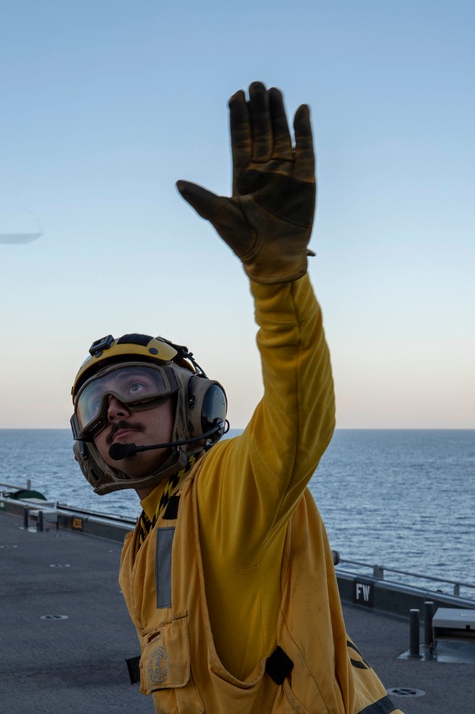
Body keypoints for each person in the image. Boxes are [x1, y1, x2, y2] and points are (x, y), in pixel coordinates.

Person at [69, 83, 400, 713]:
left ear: (195, 406)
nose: (114, 411)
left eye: (136, 388)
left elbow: (298, 419)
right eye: (96, 404)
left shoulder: (225, 487)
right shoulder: (139, 545)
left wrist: (277, 283)